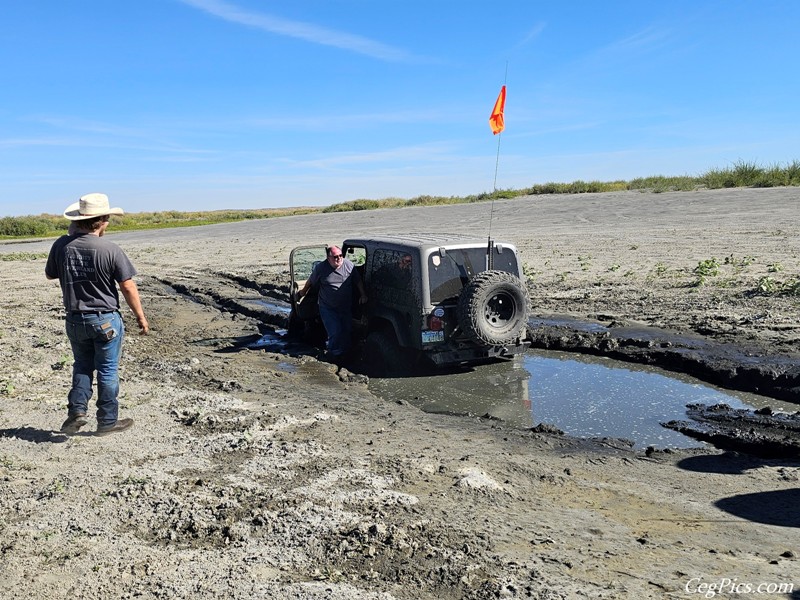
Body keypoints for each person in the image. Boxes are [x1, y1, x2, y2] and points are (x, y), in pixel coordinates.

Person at [45, 193, 149, 436]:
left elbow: (50, 274)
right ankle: (107, 421)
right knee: (108, 369)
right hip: (105, 318)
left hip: (74, 318)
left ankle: (77, 411)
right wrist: (140, 316)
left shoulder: (61, 245)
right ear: (102, 221)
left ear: (78, 219)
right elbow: (127, 286)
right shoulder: (110, 249)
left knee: (82, 365)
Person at [297, 245, 367, 361]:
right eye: (335, 257)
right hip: (328, 307)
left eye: (340, 255)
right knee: (335, 331)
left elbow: (358, 281)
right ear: (328, 258)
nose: (338, 258)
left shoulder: (349, 265)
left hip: (345, 306)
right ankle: (333, 355)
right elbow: (310, 282)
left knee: (347, 330)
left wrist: (363, 294)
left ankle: (346, 355)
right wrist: (302, 292)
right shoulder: (321, 268)